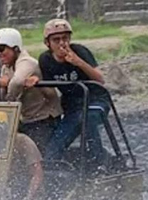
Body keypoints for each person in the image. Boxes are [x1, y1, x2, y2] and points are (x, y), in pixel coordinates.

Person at [36, 18, 109, 167]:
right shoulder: (45, 59)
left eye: (65, 38)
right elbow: (49, 90)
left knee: (88, 121)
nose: (62, 43)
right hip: (73, 107)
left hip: (95, 100)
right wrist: (35, 82)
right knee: (53, 149)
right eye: (56, 40)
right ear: (47, 43)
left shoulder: (80, 51)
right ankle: (57, 173)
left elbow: (100, 79)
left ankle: (99, 165)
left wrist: (79, 62)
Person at [0, 28, 62, 155]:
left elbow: (17, 82)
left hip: (43, 119)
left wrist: (9, 102)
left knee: (40, 155)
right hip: (25, 119)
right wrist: (3, 87)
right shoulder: (6, 67)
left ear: (15, 48)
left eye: (1, 49)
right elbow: (4, 95)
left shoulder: (27, 62)